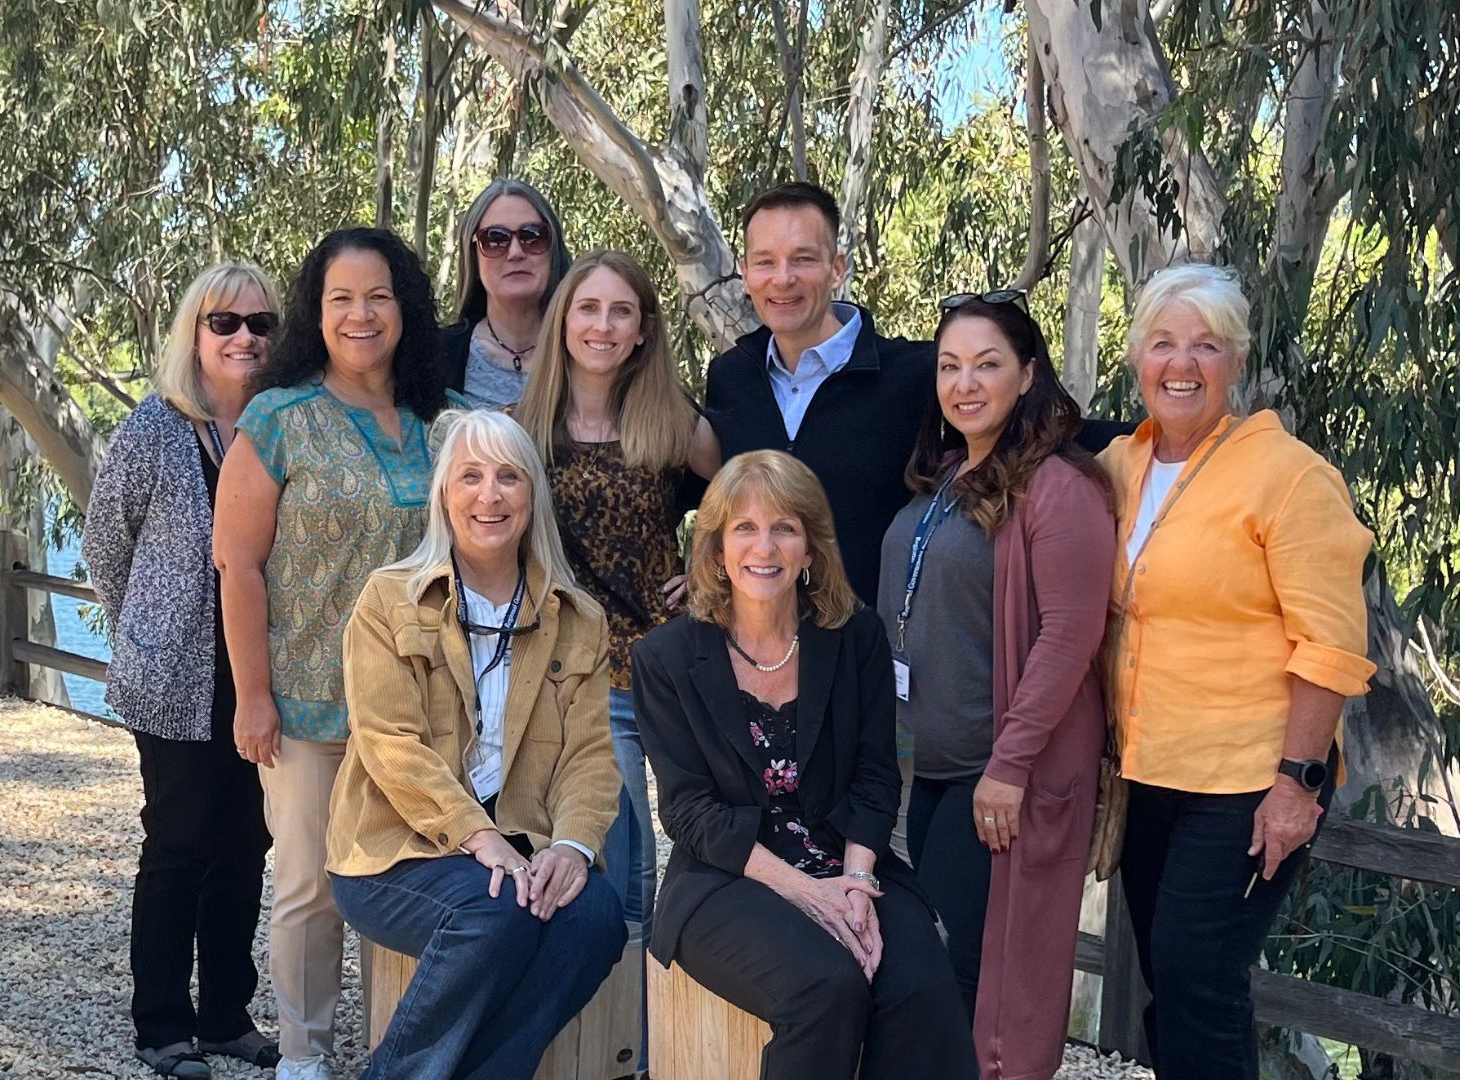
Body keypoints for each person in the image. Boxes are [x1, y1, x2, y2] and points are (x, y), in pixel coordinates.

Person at [1098, 264, 1375, 1080]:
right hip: (1151, 772)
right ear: (1137, 358)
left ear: (1237, 361)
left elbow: (1329, 645)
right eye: (1163, 343)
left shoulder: (1288, 477)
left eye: (1205, 345)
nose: (1182, 364)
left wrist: (1297, 782)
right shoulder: (1122, 465)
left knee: (1200, 980)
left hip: (1253, 782)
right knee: (1165, 977)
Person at [633, 450, 978, 1080]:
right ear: (715, 550)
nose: (764, 547)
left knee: (923, 986)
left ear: (811, 548)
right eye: (744, 527)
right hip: (727, 877)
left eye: (785, 527)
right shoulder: (666, 657)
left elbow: (877, 778)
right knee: (826, 987)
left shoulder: (857, 637)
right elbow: (689, 813)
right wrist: (810, 896)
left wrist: (854, 885)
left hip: (845, 859)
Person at [328, 408, 627, 1080]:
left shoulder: (579, 620)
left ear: (532, 496)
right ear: (443, 494)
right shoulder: (389, 601)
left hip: (523, 842)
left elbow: (589, 757)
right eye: (470, 476)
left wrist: (575, 849)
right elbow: (390, 744)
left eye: (508, 478)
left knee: (596, 916)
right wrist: (478, 836)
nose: (489, 496)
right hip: (393, 851)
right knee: (495, 914)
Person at [214, 227, 449, 1080]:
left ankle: (411, 1046)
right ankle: (307, 1055)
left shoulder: (444, 420)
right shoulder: (278, 419)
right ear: (318, 312)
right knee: (312, 887)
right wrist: (252, 695)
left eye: (378, 296)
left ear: (404, 308)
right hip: (307, 702)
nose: (361, 314)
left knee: (420, 884)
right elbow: (236, 563)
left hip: (422, 711)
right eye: (341, 298)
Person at [877, 292, 1114, 1080]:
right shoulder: (949, 474)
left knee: (981, 969)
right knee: (936, 955)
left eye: (987, 364)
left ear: (1027, 375)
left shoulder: (1057, 489)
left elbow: (1069, 636)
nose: (964, 382)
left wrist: (1010, 766)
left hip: (997, 772)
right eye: (950, 366)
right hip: (926, 768)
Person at [702, 180, 1126, 600]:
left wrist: (1168, 434)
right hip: (757, 649)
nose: (783, 278)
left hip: (872, 652)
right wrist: (705, 572)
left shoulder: (917, 375)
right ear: (744, 272)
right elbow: (702, 491)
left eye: (803, 259)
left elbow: (1050, 430)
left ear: (837, 268)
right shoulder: (731, 377)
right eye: (765, 262)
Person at [513, 249, 720, 1067]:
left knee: (699, 850)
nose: (602, 326)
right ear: (564, 321)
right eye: (588, 309)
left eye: (620, 312)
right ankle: (617, 1047)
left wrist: (708, 568)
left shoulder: (673, 426)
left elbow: (751, 494)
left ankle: (669, 1037)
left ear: (642, 331)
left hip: (662, 668)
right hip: (569, 674)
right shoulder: (529, 431)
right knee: (617, 864)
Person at [85, 263, 283, 1080]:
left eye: (260, 324)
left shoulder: (281, 428)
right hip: (174, 680)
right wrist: (154, 627)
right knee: (179, 843)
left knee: (248, 844)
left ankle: (227, 1012)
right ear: (194, 336)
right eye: (224, 323)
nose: (243, 337)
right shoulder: (153, 431)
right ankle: (161, 1023)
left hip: (265, 673)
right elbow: (105, 547)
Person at [441, 179, 573, 408]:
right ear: (473, 256)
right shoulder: (436, 356)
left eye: (532, 236)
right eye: (495, 239)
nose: (515, 252)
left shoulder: (589, 348)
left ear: (554, 251)